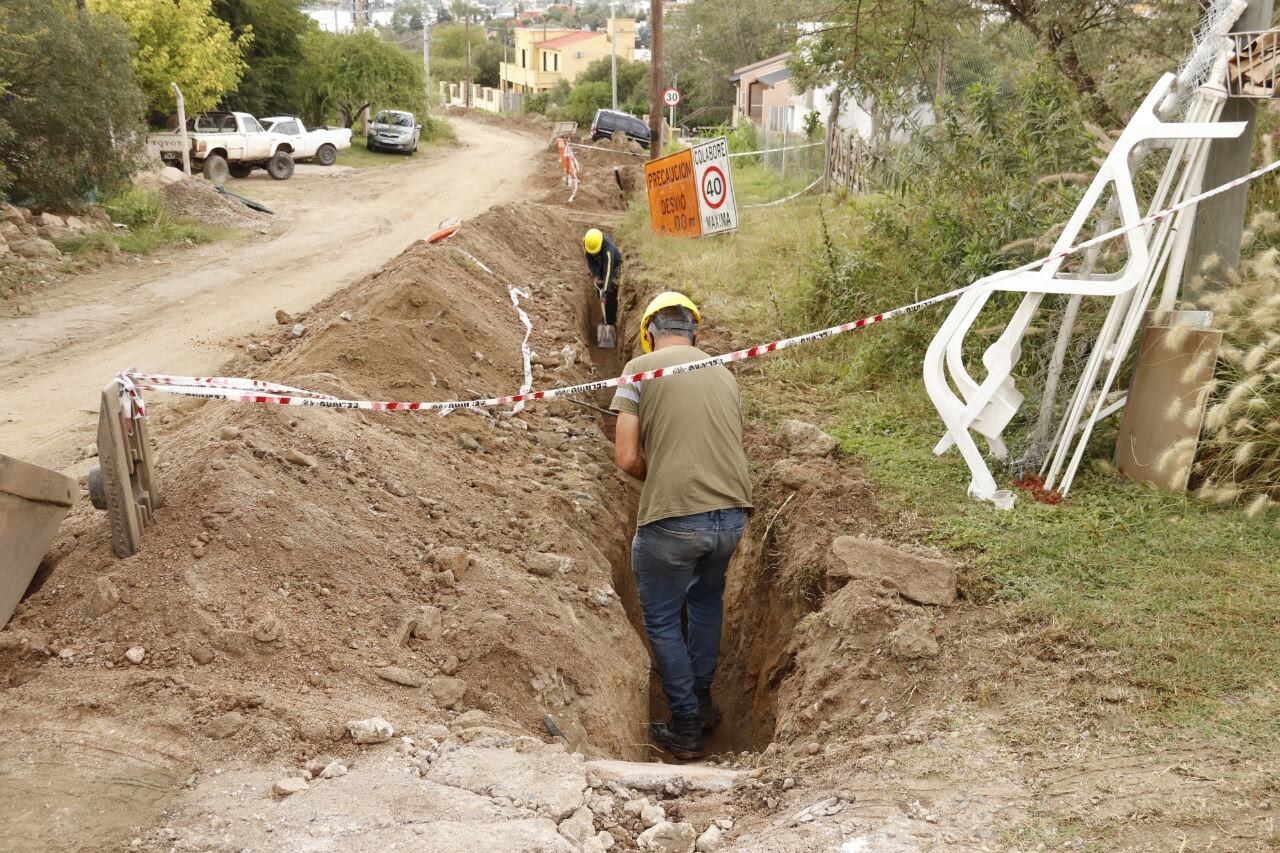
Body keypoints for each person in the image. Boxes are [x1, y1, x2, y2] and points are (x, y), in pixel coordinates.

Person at [609, 292, 753, 759]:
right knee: (706, 601)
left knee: (664, 618)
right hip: (731, 515)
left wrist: (664, 470)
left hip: (673, 518)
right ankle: (705, 702)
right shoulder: (724, 371)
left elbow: (627, 458)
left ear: (649, 332)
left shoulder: (638, 369)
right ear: (696, 332)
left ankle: (686, 723)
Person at [583, 228, 622, 347]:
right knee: (599, 290)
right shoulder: (588, 244)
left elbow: (609, 272)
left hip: (613, 266)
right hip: (601, 264)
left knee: (610, 293)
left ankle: (610, 321)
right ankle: (605, 317)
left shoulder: (609, 251)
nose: (592, 253)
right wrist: (597, 275)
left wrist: (605, 292)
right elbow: (591, 261)